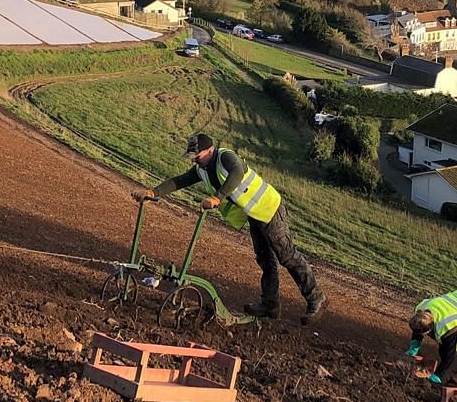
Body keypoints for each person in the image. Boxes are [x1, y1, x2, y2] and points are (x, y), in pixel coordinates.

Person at [132, 133, 326, 324]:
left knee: (287, 255)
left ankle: (316, 299)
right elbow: (180, 181)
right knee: (265, 259)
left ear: (210, 150)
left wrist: (218, 196)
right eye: (192, 157)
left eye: (197, 157)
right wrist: (153, 192)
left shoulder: (226, 156)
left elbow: (237, 173)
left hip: (269, 208)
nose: (194, 161)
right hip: (253, 213)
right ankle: (270, 304)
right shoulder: (202, 168)